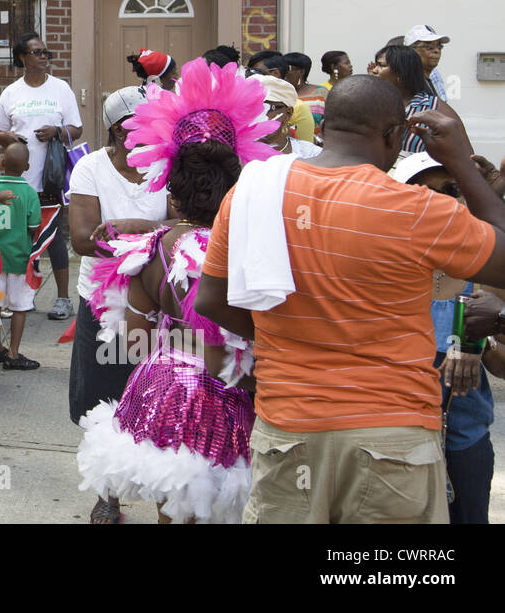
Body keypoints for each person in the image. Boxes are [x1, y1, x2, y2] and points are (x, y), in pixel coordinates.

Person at [195, 76, 505, 523]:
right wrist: (460, 162)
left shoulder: (251, 193)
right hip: (392, 434)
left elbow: (211, 300)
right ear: (393, 136)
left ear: (320, 128)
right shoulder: (418, 209)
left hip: (289, 426)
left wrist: (293, 336)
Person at [77, 58, 276, 523]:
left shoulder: (150, 248)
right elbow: (238, 344)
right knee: (212, 511)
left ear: (173, 189)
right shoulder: (243, 249)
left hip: (160, 389)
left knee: (173, 509)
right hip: (225, 396)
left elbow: (132, 337)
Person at [66, 85, 170, 524]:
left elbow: (192, 223)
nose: (152, 132)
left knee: (164, 399)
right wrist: (159, 234)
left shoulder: (168, 165)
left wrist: (133, 228)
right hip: (104, 300)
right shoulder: (90, 168)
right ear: (117, 129)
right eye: (142, 125)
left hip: (163, 302)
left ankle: (170, 492)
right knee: (101, 400)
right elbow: (83, 238)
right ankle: (108, 494)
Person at [391, 151, 505, 525]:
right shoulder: (383, 265)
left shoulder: (483, 264)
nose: (435, 199)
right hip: (393, 439)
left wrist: (478, 343)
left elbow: (502, 365)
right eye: (420, 189)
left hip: (463, 440)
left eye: (449, 189)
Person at [0, 33, 82, 321]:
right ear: (22, 58)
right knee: (18, 238)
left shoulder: (61, 89)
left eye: (46, 52)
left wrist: (57, 132)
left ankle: (63, 299)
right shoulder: (11, 93)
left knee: (54, 237)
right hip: (17, 179)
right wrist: (10, 137)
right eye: (37, 52)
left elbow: (76, 129)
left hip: (49, 177)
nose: (43, 57)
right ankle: (19, 297)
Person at [0, 142, 41, 370]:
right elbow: (34, 225)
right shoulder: (29, 193)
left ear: (3, 162)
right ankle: (14, 352)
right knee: (19, 307)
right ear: (27, 167)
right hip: (19, 259)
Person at [372, 43, 461, 154]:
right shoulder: (371, 104)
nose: (374, 70)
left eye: (381, 65)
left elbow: (464, 155)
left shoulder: (434, 107)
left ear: (401, 73)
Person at [255, 75, 322, 158]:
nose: (257, 115)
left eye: (266, 107)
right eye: (250, 108)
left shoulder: (310, 154)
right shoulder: (235, 155)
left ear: (288, 113)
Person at [283, 52, 328, 130]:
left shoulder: (321, 93)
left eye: (288, 68)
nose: (283, 72)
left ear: (301, 71)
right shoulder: (279, 93)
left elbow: (331, 121)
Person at [405, 24, 450, 99]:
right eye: (429, 47)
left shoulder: (428, 79)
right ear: (411, 50)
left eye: (439, 47)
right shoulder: (406, 82)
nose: (436, 50)